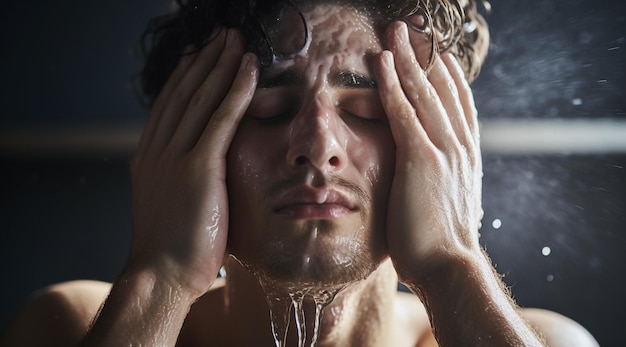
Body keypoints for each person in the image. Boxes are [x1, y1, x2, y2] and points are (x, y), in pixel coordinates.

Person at [1, 0, 599, 346]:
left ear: (441, 142)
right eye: (268, 107)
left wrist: (451, 263)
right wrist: (157, 278)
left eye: (366, 109)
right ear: (187, 141)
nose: (318, 147)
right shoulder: (70, 330)